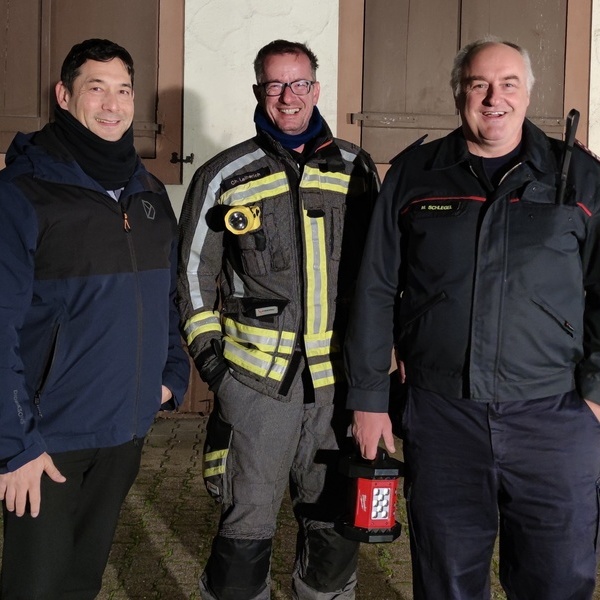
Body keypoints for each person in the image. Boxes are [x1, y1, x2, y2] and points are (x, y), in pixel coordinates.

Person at [344, 36, 600, 600]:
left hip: (553, 419)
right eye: (479, 83)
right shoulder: (416, 174)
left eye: (508, 83)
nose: (494, 97)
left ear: (529, 92)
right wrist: (368, 399)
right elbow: (375, 288)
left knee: (558, 581)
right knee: (446, 582)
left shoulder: (577, 177)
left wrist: (595, 394)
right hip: (442, 417)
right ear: (459, 91)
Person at [178, 39, 379, 600]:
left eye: (299, 84)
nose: (288, 96)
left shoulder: (356, 167)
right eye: (275, 84)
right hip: (255, 388)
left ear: (316, 89)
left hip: (335, 388)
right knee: (245, 530)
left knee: (335, 526)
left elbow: (378, 276)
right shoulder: (224, 174)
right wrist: (217, 372)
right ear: (258, 91)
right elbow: (192, 276)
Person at [0, 38, 189, 599]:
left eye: (123, 90)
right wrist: (14, 445)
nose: (113, 104)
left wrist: (170, 377)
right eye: (96, 88)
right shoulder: (22, 195)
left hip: (123, 433)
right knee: (35, 588)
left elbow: (168, 301)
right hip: (46, 442)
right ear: (64, 95)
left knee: (81, 583)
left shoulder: (150, 194)